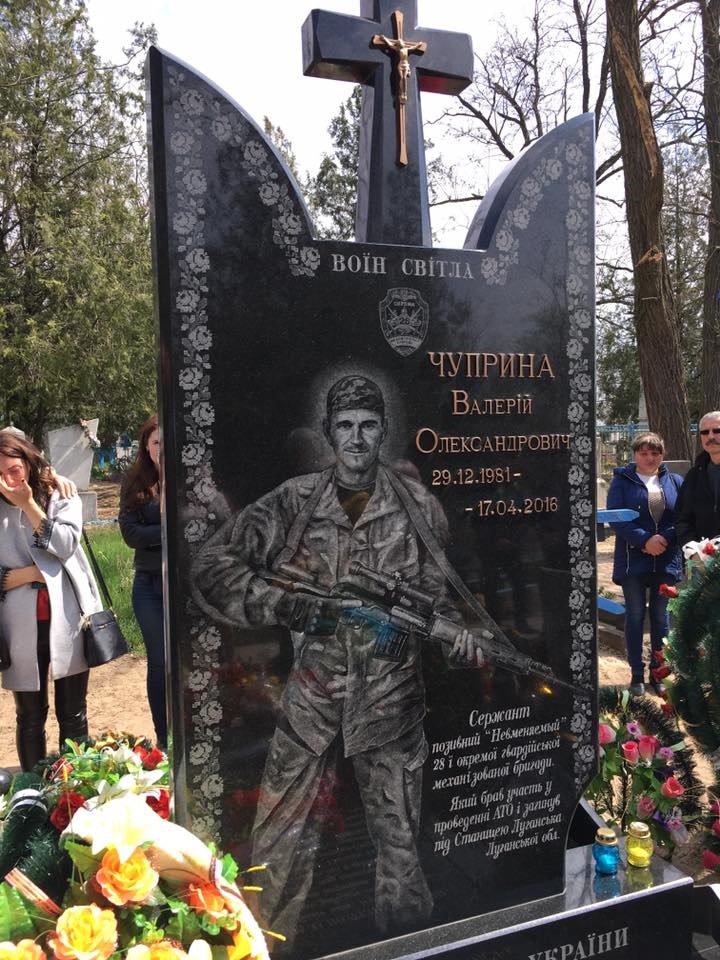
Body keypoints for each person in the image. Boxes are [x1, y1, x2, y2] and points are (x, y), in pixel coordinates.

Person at [192, 375, 483, 941]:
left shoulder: (419, 508)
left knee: (401, 854)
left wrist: (461, 643)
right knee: (273, 855)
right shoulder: (294, 502)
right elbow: (212, 566)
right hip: (311, 702)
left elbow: (438, 603)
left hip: (391, 708)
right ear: (328, 431)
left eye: (368, 426)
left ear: (384, 431)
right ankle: (257, 947)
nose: (356, 437)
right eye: (345, 425)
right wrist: (283, 604)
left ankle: (409, 948)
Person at [0, 432, 101, 771]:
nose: (8, 481)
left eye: (14, 470)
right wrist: (30, 574)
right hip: (17, 625)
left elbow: (65, 544)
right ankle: (32, 790)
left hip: (66, 617)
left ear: (28, 463)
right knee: (29, 715)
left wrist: (29, 505)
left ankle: (76, 786)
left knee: (73, 712)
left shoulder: (60, 494)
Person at [607, 432, 683, 696]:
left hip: (666, 557)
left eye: (655, 453)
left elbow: (684, 517)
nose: (650, 458)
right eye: (644, 453)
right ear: (635, 455)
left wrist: (664, 538)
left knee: (662, 617)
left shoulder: (675, 481)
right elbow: (616, 517)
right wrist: (644, 540)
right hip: (634, 558)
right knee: (636, 614)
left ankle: (658, 672)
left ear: (662, 454)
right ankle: (637, 674)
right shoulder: (622, 480)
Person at [119, 414, 166, 748]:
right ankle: (164, 737)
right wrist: (171, 529)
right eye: (156, 442)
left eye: (166, 441)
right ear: (146, 447)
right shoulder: (135, 482)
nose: (162, 448)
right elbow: (131, 534)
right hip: (149, 585)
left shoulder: (196, 477)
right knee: (159, 661)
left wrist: (156, 532)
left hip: (186, 585)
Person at [674, 410, 720, 555]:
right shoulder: (694, 475)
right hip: (702, 561)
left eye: (717, 430)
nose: (710, 436)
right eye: (705, 432)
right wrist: (692, 549)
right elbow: (682, 518)